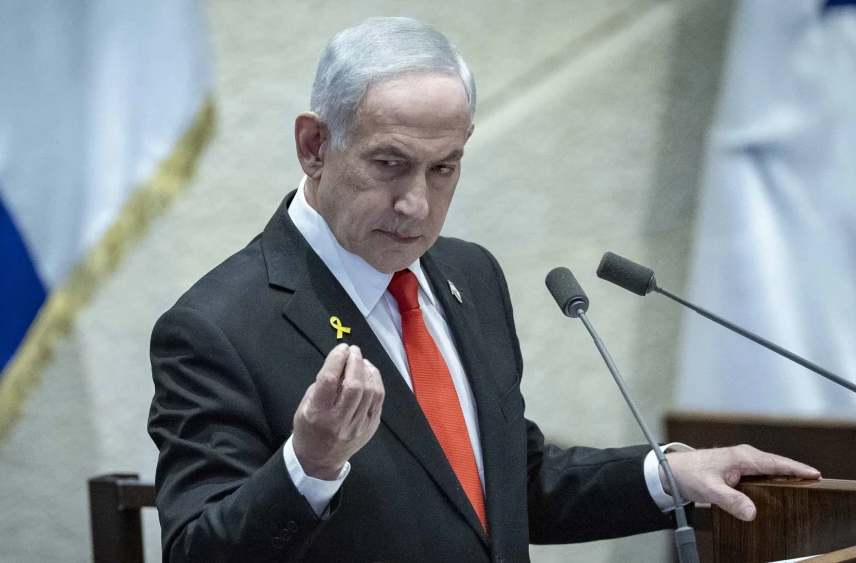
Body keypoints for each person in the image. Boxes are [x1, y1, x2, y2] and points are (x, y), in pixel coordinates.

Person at [147, 17, 820, 563]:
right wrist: (310, 463)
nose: (416, 204)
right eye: (389, 164)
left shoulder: (469, 275)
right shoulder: (217, 327)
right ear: (314, 145)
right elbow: (194, 551)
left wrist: (667, 474)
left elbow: (505, 483)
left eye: (444, 168)